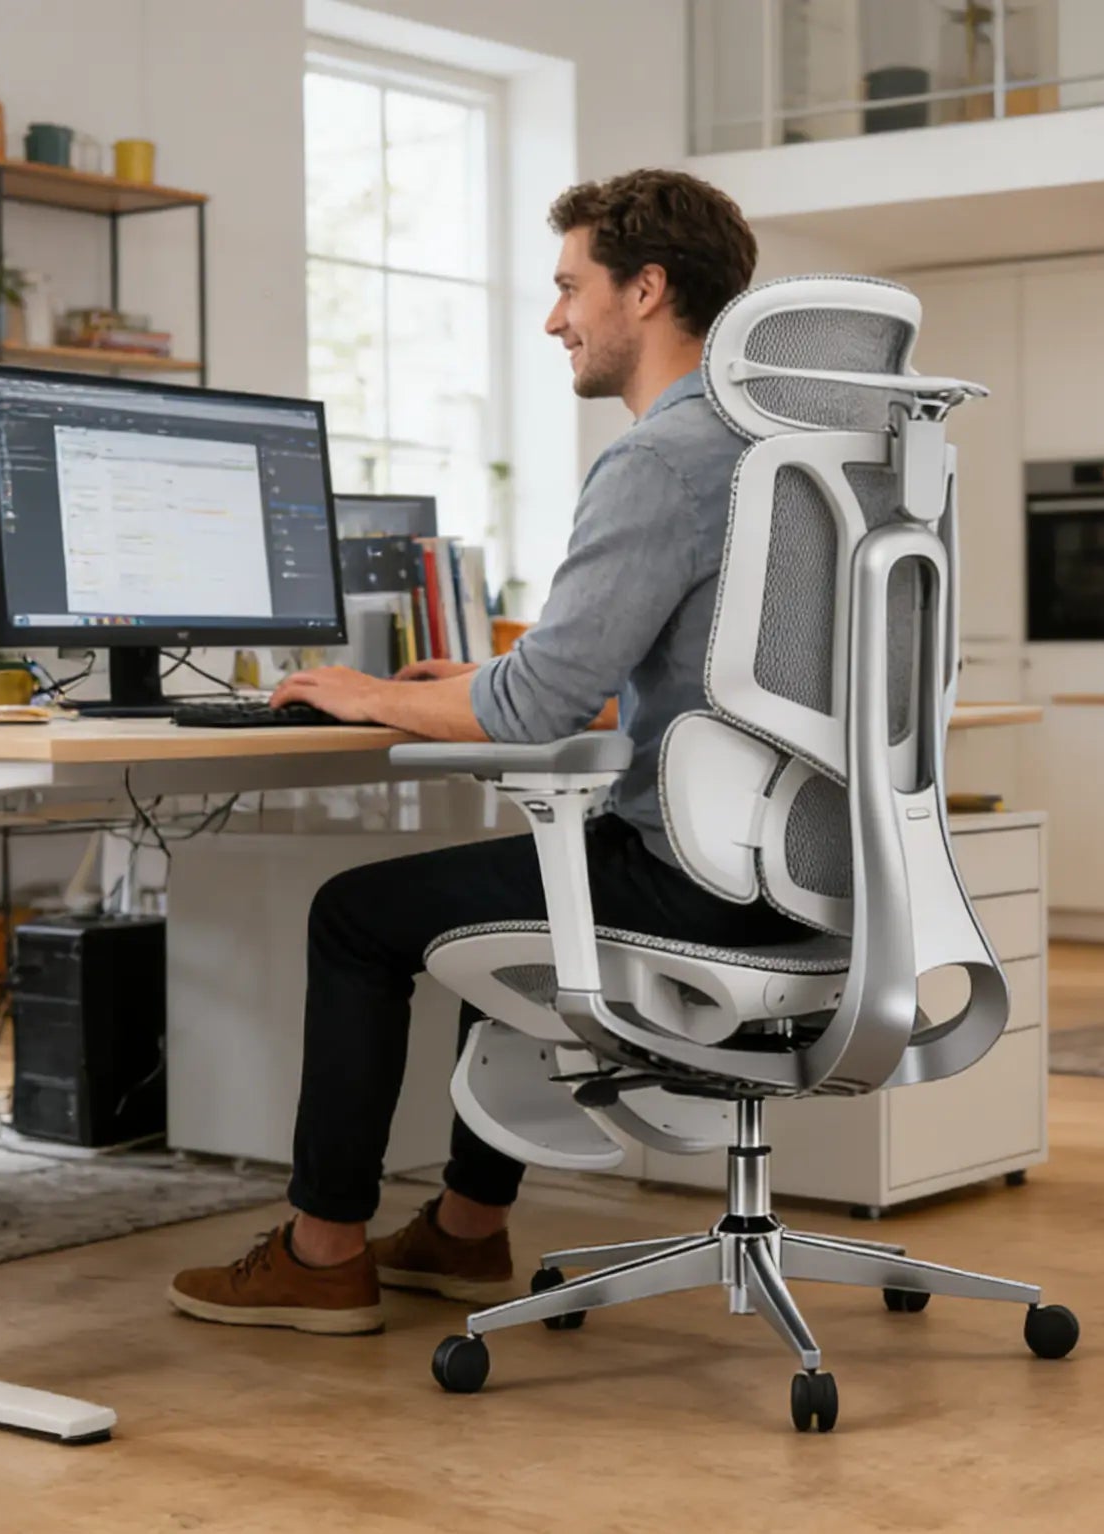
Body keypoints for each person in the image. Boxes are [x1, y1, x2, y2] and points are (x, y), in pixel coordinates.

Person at [168, 169, 803, 1334]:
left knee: (357, 915)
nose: (554, 318)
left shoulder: (661, 459)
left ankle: (321, 1253)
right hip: (812, 876)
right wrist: (452, 686)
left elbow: (538, 706)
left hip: (695, 883)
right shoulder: (797, 455)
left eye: (569, 288)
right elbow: (612, 671)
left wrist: (366, 696)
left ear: (646, 289)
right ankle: (462, 1232)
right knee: (510, 888)